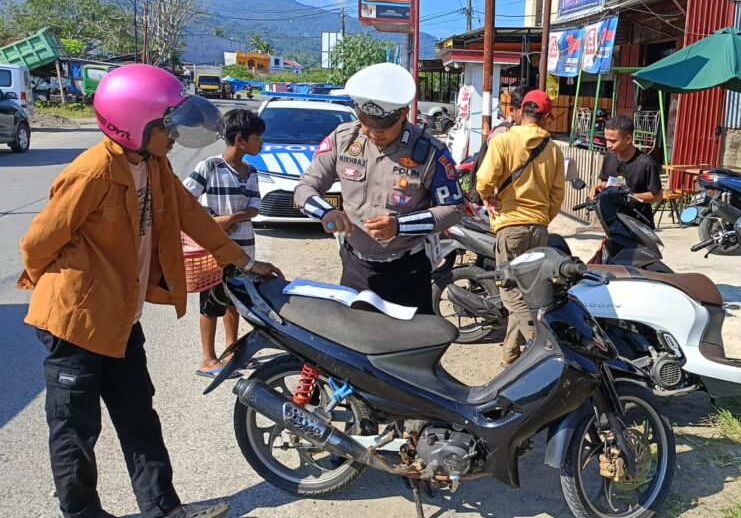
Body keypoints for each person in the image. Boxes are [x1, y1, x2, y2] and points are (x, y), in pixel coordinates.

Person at [17, 64, 282, 518]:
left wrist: (243, 261)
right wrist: (57, 293)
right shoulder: (92, 173)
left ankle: (163, 509)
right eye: (167, 127)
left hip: (122, 318)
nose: (174, 136)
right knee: (76, 430)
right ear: (132, 125)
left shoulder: (154, 165)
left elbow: (193, 217)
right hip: (76, 323)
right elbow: (37, 244)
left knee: (139, 417)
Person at [293, 63, 463, 314]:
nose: (374, 133)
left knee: (410, 337)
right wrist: (326, 212)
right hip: (355, 266)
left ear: (403, 113)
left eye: (383, 127)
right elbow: (304, 188)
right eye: (366, 124)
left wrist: (400, 226)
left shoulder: (430, 152)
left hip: (408, 270)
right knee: (352, 335)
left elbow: (454, 209)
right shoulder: (343, 139)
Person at [476, 90, 565, 367]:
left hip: (510, 225)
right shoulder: (553, 149)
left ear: (521, 112)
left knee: (510, 292)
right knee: (527, 291)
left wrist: (487, 198)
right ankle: (510, 357)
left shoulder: (503, 140)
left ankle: (543, 344)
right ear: (546, 117)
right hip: (538, 228)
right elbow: (557, 195)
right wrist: (542, 218)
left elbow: (483, 180)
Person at [183, 109, 265, 377]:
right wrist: (213, 222)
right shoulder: (210, 167)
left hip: (242, 249)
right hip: (214, 251)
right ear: (240, 139)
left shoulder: (251, 171)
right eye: (257, 138)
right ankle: (207, 359)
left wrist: (232, 217)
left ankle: (232, 350)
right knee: (211, 302)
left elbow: (255, 207)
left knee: (234, 300)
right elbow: (184, 200)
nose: (261, 143)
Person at [588, 115, 663, 228]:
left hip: (639, 225)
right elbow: (605, 182)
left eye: (613, 141)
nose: (608, 145)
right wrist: (598, 188)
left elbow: (657, 196)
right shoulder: (609, 156)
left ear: (628, 139)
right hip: (613, 221)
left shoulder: (646, 163)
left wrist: (630, 196)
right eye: (606, 139)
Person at [467, 85, 531, 205]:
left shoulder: (543, 141)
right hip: (502, 204)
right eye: (526, 112)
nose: (530, 117)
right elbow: (487, 177)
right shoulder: (502, 135)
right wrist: (488, 198)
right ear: (512, 110)